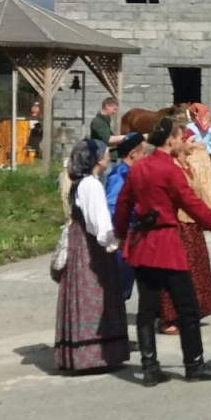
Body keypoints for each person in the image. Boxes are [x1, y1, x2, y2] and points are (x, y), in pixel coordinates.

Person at [113, 118, 211, 386]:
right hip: (166, 244)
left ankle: (150, 367)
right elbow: (192, 205)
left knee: (146, 309)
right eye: (180, 135)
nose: (183, 139)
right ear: (170, 140)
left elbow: (123, 206)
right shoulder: (170, 170)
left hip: (143, 245)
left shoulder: (138, 169)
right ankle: (194, 364)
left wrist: (121, 236)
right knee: (187, 307)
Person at [54, 139, 130, 373]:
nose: (109, 157)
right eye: (106, 154)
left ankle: (81, 353)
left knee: (84, 292)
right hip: (90, 247)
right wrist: (112, 243)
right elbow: (98, 222)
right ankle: (93, 353)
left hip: (81, 242)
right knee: (94, 292)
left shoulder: (82, 182)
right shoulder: (91, 185)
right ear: (96, 159)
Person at [157, 128, 211, 335]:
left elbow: (199, 194)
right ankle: (168, 318)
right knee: (177, 272)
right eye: (190, 140)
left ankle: (190, 312)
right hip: (179, 225)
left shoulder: (189, 165)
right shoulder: (174, 167)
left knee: (195, 271)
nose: (194, 144)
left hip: (193, 225)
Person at [105, 132, 147, 301]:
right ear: (133, 154)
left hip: (136, 232)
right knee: (121, 284)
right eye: (144, 153)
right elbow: (113, 206)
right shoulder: (120, 175)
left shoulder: (133, 172)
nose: (146, 157)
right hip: (126, 234)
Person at [89, 97, 124, 164]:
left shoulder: (104, 122)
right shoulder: (98, 122)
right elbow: (108, 139)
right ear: (107, 106)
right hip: (102, 159)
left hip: (107, 158)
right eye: (114, 109)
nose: (115, 112)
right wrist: (127, 137)